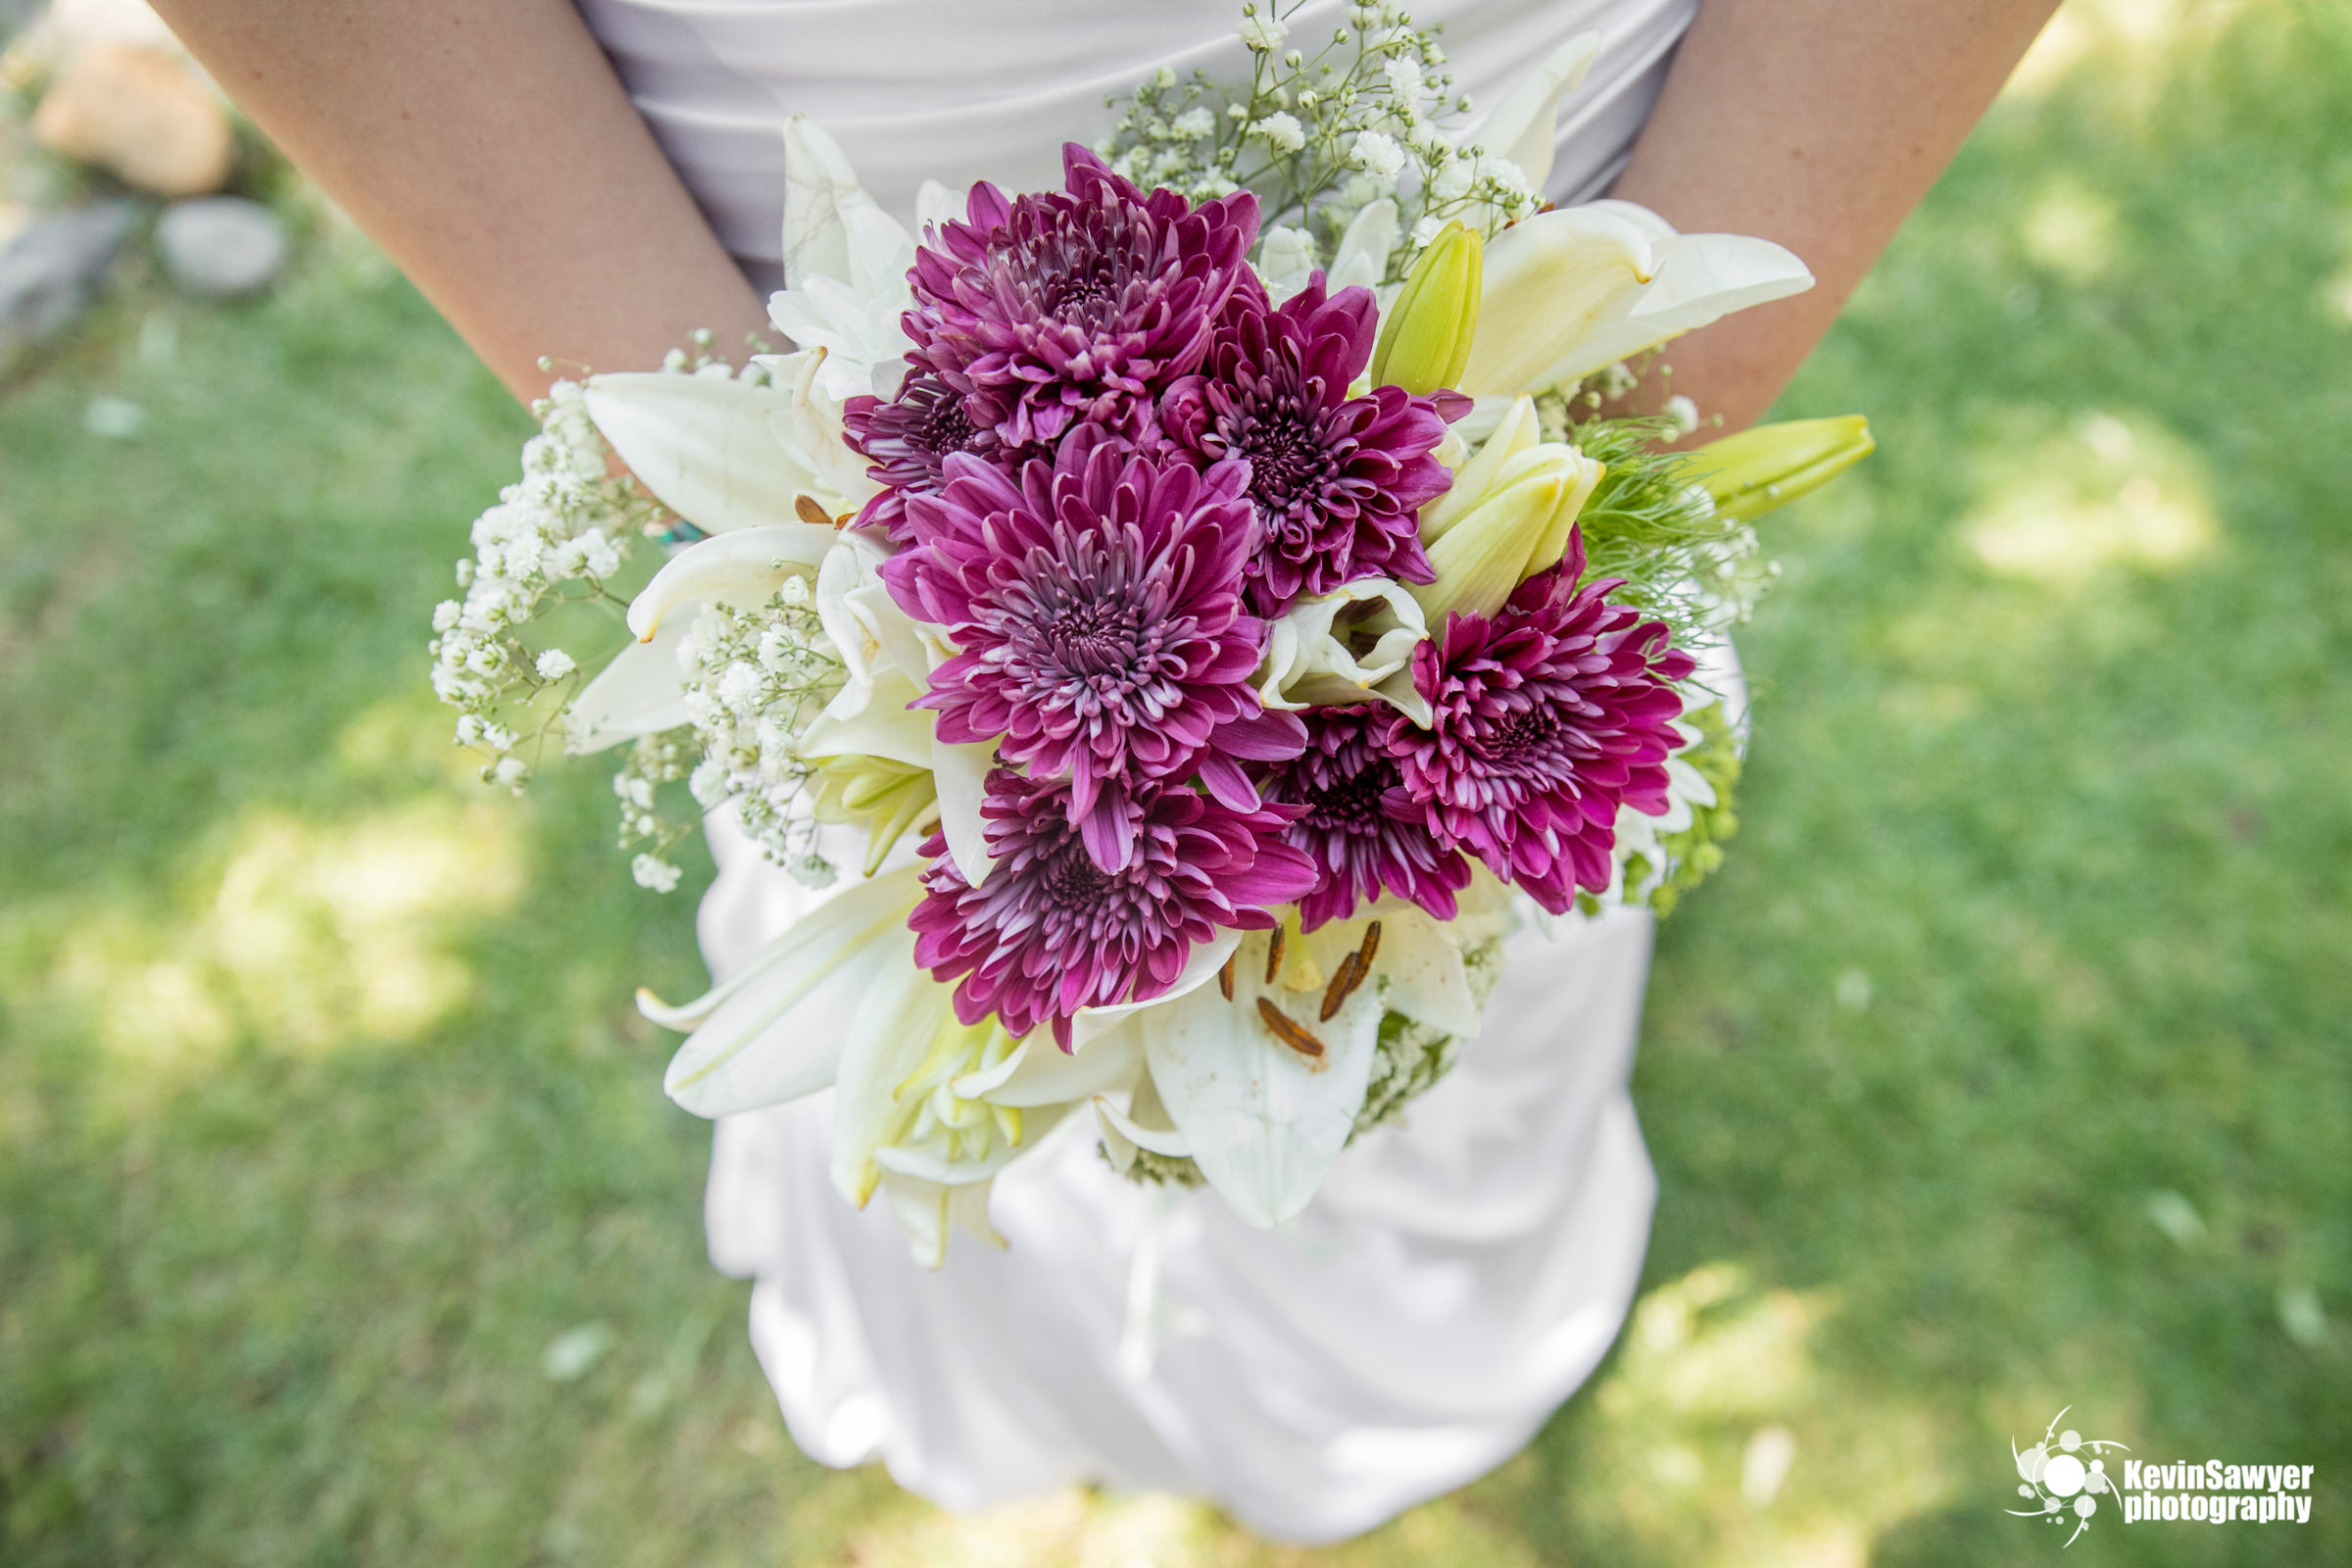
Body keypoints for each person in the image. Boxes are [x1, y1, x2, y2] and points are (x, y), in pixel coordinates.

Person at [149, 0, 2060, 1542]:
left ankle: (1382, 1368)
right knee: (905, 931)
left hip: (1522, 253)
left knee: (1467, 922)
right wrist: (784, 519)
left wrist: (1577, 487)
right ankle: (1000, 1351)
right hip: (777, 265)